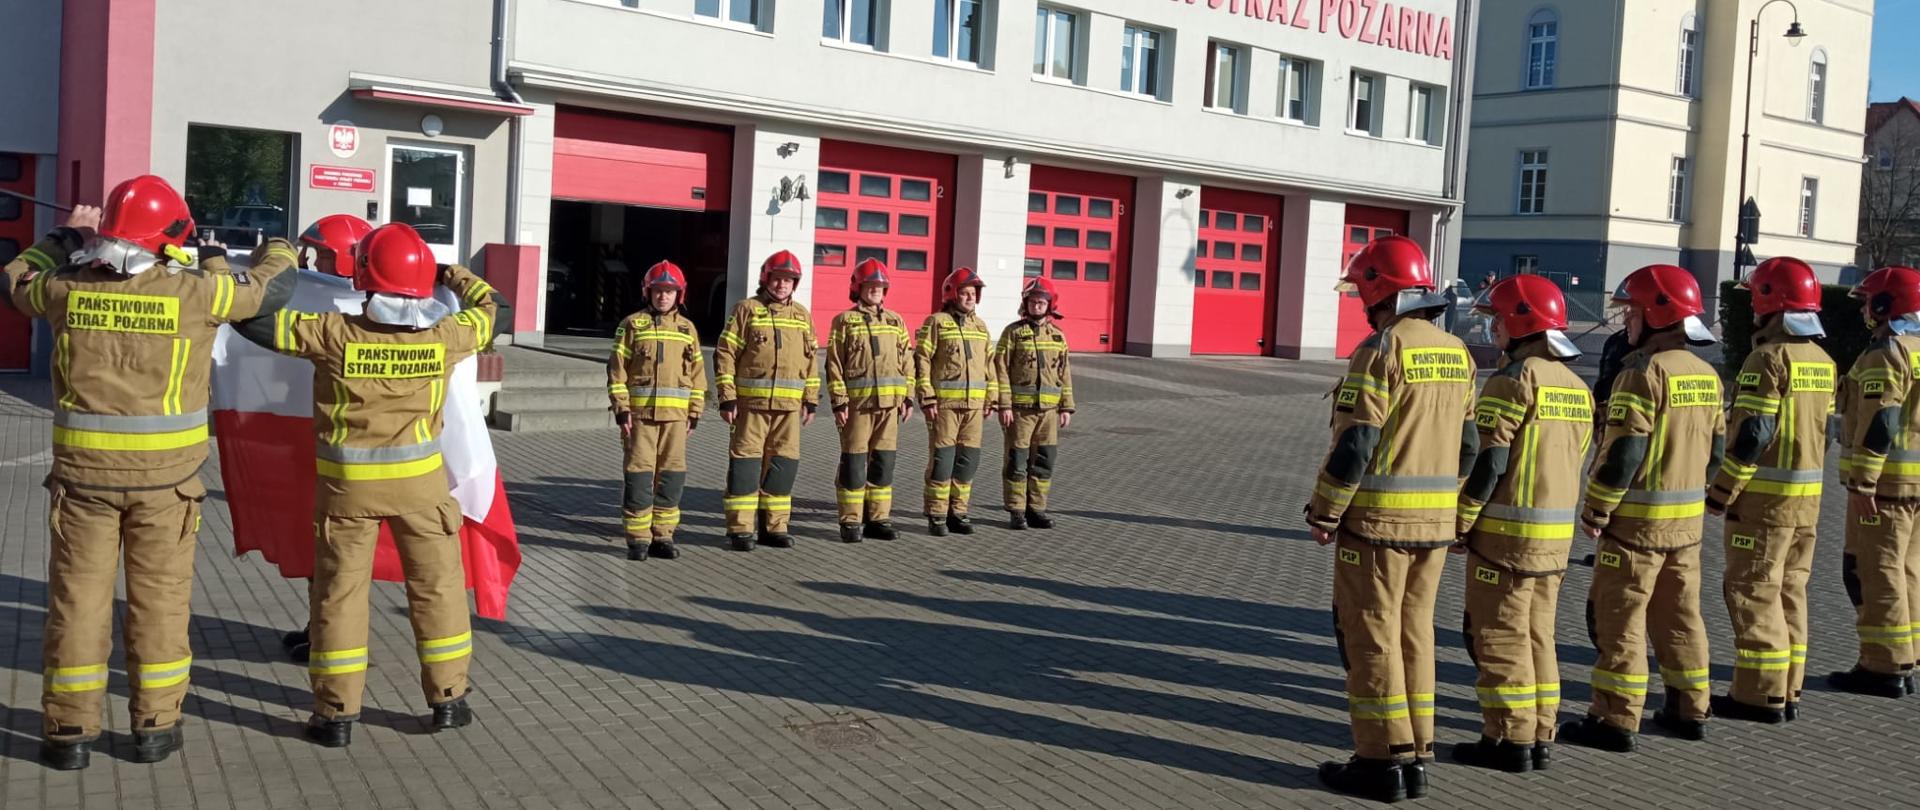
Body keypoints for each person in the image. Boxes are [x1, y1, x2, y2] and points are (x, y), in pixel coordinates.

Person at [2, 176, 297, 769]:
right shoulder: (196, 294)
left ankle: (68, 733)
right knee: (160, 603)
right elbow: (269, 291)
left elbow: (15, 281)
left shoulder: (64, 289)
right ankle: (155, 727)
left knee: (77, 603)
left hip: (82, 484)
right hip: (168, 488)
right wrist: (283, 248)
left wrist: (66, 235)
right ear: (170, 240)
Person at [232, 223, 499, 748]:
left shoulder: (333, 332)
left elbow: (252, 319)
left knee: (339, 598)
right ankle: (449, 700)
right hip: (421, 492)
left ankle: (335, 716)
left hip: (348, 492)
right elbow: (493, 308)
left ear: (363, 278)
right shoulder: (446, 335)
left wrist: (281, 258)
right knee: (438, 592)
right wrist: (452, 274)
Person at [1304, 235, 1475, 803]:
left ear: (1380, 290)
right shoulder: (1458, 352)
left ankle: (1379, 760)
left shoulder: (1380, 350)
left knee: (1370, 637)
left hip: (1377, 526)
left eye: (1360, 290)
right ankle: (1418, 750)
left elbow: (1357, 443)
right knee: (1414, 634)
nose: (1358, 301)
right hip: (1435, 525)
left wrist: (1326, 511)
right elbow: (1470, 447)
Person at [1562, 264, 1724, 753]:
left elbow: (1625, 452)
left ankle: (1615, 718)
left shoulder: (1642, 373)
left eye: (1631, 311)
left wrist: (1595, 511)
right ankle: (1689, 709)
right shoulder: (1706, 373)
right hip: (1686, 527)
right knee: (1681, 618)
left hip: (1635, 527)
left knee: (1621, 620)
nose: (1626, 321)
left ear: (1658, 314)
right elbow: (1716, 454)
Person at [1452, 275, 1590, 774]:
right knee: (1539, 636)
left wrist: (1462, 520)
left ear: (1518, 323)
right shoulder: (1577, 386)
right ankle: (1540, 732)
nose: (1492, 333)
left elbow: (1491, 461)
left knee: (1500, 636)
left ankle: (1508, 738)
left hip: (1506, 539)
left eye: (1496, 323)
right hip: (1555, 540)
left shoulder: (1512, 380)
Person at [1704, 257, 1834, 722]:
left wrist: (1722, 491)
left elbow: (1753, 435)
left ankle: (1758, 695)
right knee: (1790, 594)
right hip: (1808, 506)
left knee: (1754, 592)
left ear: (1768, 303)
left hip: (1763, 506)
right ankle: (1788, 689)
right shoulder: (1822, 359)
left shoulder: (1768, 358)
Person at [280, 213, 376, 662]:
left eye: (316, 253)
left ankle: (331, 639)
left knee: (337, 554)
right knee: (315, 543)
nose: (306, 260)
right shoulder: (325, 303)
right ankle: (316, 623)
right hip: (315, 441)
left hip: (347, 461)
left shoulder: (358, 317)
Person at [1831, 264, 1920, 699]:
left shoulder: (1888, 353)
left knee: (1874, 571)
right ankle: (1908, 653)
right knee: (1908, 571)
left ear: (1886, 304)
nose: (1865, 309)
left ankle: (1884, 665)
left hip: (1885, 487)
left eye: (1869, 301)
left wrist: (1863, 481)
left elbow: (1881, 419)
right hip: (1915, 487)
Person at [713, 250, 819, 550]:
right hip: (750, 408)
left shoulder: (801, 316)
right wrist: (727, 398)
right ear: (766, 279)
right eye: (778, 279)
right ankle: (740, 530)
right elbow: (725, 354)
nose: (783, 285)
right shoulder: (746, 310)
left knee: (783, 470)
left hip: (788, 411)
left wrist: (811, 399)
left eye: (789, 280)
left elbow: (811, 362)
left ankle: (774, 527)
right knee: (745, 469)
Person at [608, 260, 706, 561]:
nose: (663, 297)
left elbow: (698, 374)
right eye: (658, 291)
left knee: (671, 478)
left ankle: (663, 536)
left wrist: (695, 412)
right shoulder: (631, 325)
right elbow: (616, 372)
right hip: (640, 419)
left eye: (670, 291)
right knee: (639, 476)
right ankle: (637, 538)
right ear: (647, 292)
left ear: (680, 295)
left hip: (675, 420)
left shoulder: (687, 329)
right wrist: (622, 410)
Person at [826, 258, 913, 542]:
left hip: (889, 406)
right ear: (858, 287)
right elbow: (834, 364)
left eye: (879, 285)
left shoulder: (895, 321)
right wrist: (839, 402)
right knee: (854, 464)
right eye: (870, 285)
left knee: (883, 464)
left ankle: (878, 519)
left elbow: (907, 363)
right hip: (857, 407)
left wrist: (907, 397)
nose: (875, 290)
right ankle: (850, 521)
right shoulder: (844, 321)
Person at [915, 267, 996, 536]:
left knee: (967, 461)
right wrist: (926, 397)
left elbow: (990, 365)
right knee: (943, 460)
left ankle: (958, 513)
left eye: (973, 294)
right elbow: (922, 361)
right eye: (965, 293)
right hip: (945, 407)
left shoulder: (981, 326)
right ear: (952, 294)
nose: (970, 298)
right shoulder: (936, 322)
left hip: (974, 407)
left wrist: (991, 399)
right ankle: (937, 515)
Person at [995, 277, 1075, 530]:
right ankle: (1016, 510)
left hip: (1049, 413)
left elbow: (1065, 373)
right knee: (1017, 462)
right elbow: (1001, 370)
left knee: (1043, 461)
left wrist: (1066, 406)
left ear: (1050, 305)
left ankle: (1036, 509)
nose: (1037, 305)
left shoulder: (1058, 336)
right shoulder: (1013, 333)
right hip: (1020, 411)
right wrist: (1004, 405)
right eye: (1032, 301)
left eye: (1041, 302)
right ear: (1025, 304)